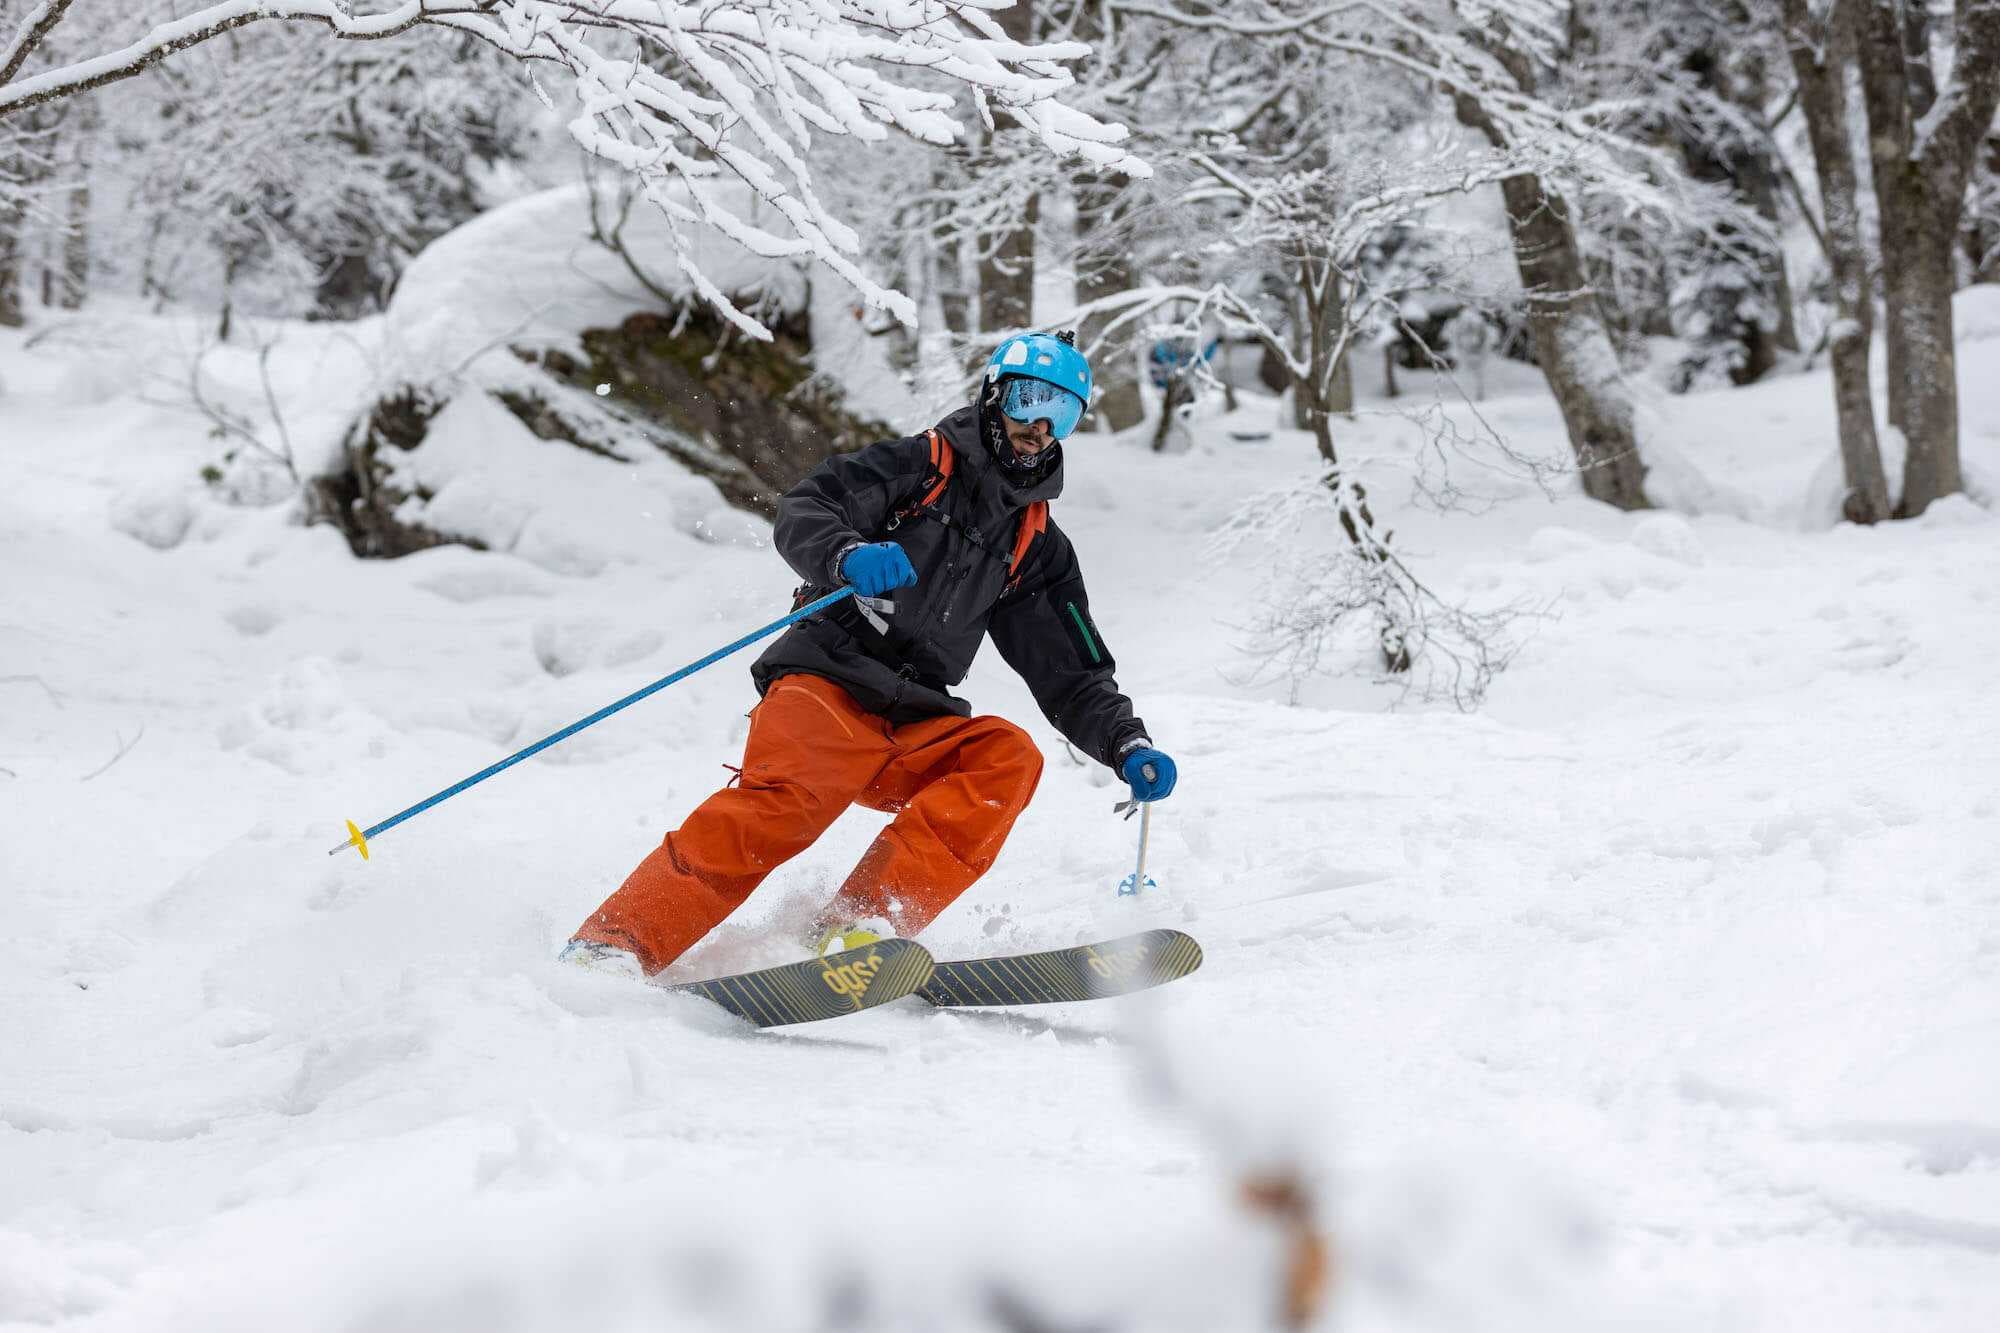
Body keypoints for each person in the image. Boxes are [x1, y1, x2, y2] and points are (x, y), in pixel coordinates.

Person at [560, 331, 1178, 979]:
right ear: (995, 396)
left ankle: (857, 927)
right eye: (1030, 401)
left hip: (912, 717)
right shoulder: (917, 467)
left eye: (1064, 414)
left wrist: (1125, 741)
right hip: (825, 682)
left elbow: (1071, 669)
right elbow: (808, 506)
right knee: (783, 808)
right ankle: (615, 943)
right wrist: (845, 554)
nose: (1041, 427)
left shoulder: (1035, 542)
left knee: (1005, 758)